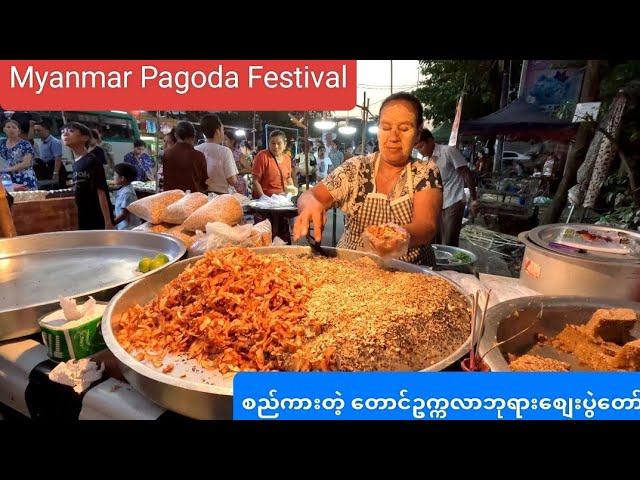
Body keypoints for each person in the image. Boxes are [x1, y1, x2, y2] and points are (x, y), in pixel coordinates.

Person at [294, 92, 443, 266]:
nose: (394, 137)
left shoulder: (425, 172)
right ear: (378, 130)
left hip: (409, 270)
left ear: (418, 134)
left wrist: (395, 236)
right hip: (353, 268)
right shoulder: (355, 169)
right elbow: (310, 195)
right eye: (386, 128)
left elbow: (426, 225)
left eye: (404, 129)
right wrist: (310, 204)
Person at [415, 129, 478, 248]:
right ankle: (436, 265)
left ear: (430, 141)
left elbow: (466, 173)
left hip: (453, 201)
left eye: (421, 146)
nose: (420, 151)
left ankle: (450, 266)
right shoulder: (426, 160)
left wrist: (474, 199)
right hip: (437, 204)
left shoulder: (448, 152)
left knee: (449, 241)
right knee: (434, 239)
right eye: (417, 148)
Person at [62, 122, 113, 230]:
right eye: (62, 132)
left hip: (96, 218)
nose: (65, 134)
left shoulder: (92, 161)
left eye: (70, 131)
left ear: (85, 137)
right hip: (83, 216)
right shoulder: (76, 163)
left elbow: (101, 192)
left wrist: (108, 222)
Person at [195, 114, 238, 195]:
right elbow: (232, 181)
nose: (223, 132)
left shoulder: (195, 149)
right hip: (220, 197)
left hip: (201, 195)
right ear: (217, 131)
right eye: (222, 129)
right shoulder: (225, 151)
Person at [162, 121, 208, 193]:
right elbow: (204, 181)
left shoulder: (167, 154)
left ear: (176, 135)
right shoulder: (199, 156)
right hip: (191, 199)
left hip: (170, 198)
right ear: (193, 136)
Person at [252, 129, 295, 199]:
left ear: (285, 144)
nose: (276, 146)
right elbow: (255, 181)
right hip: (265, 200)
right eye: (273, 143)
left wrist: (292, 193)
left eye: (279, 143)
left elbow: (288, 178)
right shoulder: (262, 156)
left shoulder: (287, 158)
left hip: (283, 199)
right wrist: (264, 198)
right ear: (269, 143)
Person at [0, 119, 38, 190]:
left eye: (14, 127)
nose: (11, 129)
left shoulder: (25, 144)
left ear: (19, 131)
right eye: (8, 127)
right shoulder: (1, 143)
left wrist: (7, 169)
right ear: (4, 129)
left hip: (25, 179)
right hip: (7, 180)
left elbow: (26, 163)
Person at [33, 118, 66, 187]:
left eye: (38, 130)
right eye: (35, 131)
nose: (36, 133)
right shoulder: (41, 141)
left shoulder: (54, 142)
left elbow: (58, 158)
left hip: (53, 167)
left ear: (47, 130)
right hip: (46, 168)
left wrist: (55, 173)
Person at [112, 163, 141, 230]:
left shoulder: (127, 193)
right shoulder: (125, 189)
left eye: (115, 175)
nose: (113, 177)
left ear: (122, 178)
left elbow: (123, 215)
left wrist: (111, 224)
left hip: (128, 228)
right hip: (123, 227)